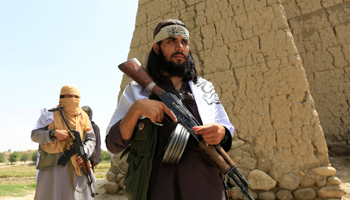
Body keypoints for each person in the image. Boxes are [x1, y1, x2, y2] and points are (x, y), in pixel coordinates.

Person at [106, 19, 234, 200]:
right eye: (171, 41)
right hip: (157, 189)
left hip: (206, 188)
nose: (180, 46)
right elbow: (113, 144)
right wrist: (137, 109)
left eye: (184, 41)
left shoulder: (204, 88)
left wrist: (221, 132)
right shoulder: (136, 90)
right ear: (157, 48)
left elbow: (225, 127)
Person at [31, 85, 96, 200]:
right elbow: (35, 135)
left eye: (76, 97)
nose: (73, 99)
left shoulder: (83, 117)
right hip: (53, 166)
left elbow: (91, 139)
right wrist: (53, 133)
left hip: (78, 162)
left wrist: (85, 152)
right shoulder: (49, 114)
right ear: (61, 97)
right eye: (69, 96)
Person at [82, 105, 101, 171]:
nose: (84, 113)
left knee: (89, 174)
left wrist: (96, 158)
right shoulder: (78, 125)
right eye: (83, 111)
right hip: (80, 154)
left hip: (91, 155)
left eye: (86, 112)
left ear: (89, 113)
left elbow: (98, 143)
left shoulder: (94, 127)